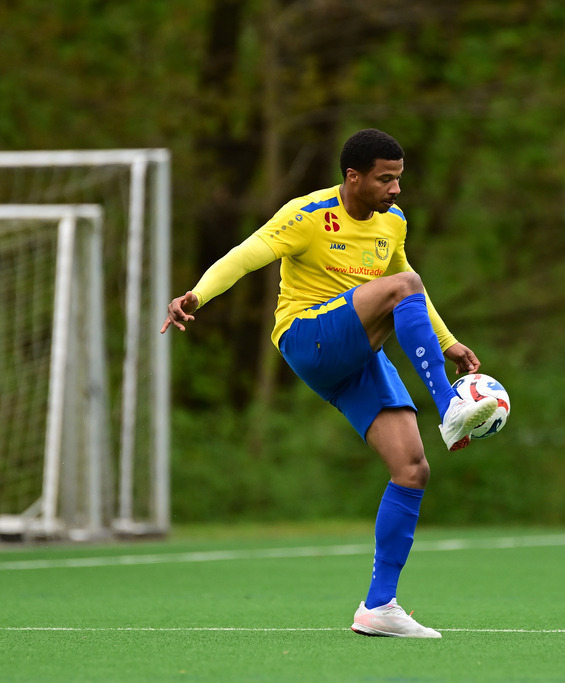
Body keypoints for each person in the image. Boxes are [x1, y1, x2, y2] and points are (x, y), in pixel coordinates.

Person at [161, 128, 498, 639]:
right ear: (352, 177)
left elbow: (410, 284)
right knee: (401, 288)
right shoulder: (308, 215)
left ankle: (379, 606)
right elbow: (246, 253)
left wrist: (448, 342)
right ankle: (450, 407)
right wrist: (198, 295)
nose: (396, 190)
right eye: (386, 179)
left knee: (412, 468)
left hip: (357, 350)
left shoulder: (394, 224)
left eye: (399, 180)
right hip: (307, 337)